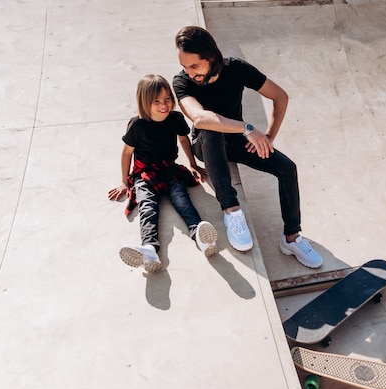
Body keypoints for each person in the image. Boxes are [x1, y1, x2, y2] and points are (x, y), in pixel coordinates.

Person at [172, 26, 323, 269]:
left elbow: (280, 96)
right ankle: (232, 211)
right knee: (211, 128)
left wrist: (270, 137)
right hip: (206, 145)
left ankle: (292, 238)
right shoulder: (181, 82)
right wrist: (248, 128)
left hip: (237, 143)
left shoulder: (237, 69)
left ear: (210, 58)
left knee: (287, 167)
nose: (189, 73)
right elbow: (199, 118)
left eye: (194, 66)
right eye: (185, 66)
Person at [108, 74, 218, 273]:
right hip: (144, 174)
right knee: (148, 206)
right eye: (156, 101)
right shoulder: (137, 125)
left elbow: (184, 140)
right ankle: (150, 249)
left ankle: (201, 238)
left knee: (182, 200)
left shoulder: (175, 118)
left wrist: (192, 164)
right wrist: (124, 182)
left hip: (169, 168)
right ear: (144, 102)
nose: (164, 105)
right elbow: (126, 154)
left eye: (167, 99)